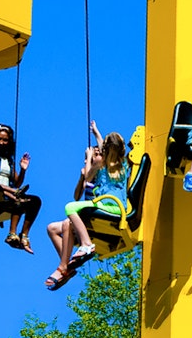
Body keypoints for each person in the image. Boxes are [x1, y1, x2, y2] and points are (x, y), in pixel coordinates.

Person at [44, 122, 132, 290]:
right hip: (114, 206)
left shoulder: (101, 162)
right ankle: (66, 266)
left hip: (107, 205)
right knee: (54, 228)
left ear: (104, 151)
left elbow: (87, 180)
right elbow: (108, 148)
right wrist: (97, 133)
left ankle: (85, 245)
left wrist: (89, 159)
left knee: (70, 207)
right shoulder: (123, 164)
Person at [0, 123, 41, 253]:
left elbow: (17, 182)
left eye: (5, 140)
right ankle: (11, 234)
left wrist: (23, 169)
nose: (2, 142)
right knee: (18, 200)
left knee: (35, 201)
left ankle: (24, 235)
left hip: (8, 194)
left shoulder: (9, 160)